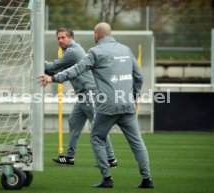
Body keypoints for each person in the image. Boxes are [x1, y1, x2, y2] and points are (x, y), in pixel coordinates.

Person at [38, 23, 154, 189]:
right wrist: (135, 96)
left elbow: (76, 69)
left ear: (97, 35)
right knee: (137, 143)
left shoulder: (95, 51)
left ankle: (107, 178)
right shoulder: (126, 50)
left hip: (106, 106)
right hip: (127, 104)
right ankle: (147, 179)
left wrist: (54, 78)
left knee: (97, 137)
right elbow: (139, 77)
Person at [45, 27, 118, 168]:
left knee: (98, 127)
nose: (60, 40)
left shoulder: (72, 52)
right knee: (73, 122)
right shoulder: (71, 51)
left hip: (89, 93)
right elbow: (58, 69)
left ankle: (111, 159)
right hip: (83, 95)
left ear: (70, 37)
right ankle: (70, 157)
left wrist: (36, 61)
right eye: (58, 38)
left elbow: (52, 68)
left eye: (63, 37)